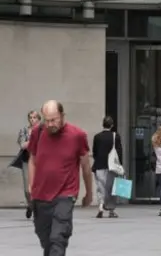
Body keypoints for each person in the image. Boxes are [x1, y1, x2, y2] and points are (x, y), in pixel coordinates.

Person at [28, 100, 93, 256]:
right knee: (45, 239)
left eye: (54, 119)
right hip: (41, 195)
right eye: (47, 120)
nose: (50, 124)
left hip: (66, 194)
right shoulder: (37, 132)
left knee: (58, 237)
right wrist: (30, 185)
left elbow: (85, 166)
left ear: (62, 116)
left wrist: (89, 193)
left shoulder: (77, 135)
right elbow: (32, 159)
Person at [91, 115, 123, 218]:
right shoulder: (115, 136)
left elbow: (94, 152)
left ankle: (100, 206)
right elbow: (119, 152)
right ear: (112, 125)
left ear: (103, 124)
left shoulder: (97, 137)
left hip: (99, 165)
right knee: (112, 188)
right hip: (112, 166)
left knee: (101, 187)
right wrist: (120, 166)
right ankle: (111, 210)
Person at [17, 110, 41, 219]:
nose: (32, 119)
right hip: (27, 161)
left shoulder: (43, 131)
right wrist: (33, 141)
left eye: (35, 117)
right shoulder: (24, 130)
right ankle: (30, 205)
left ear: (38, 119)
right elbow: (22, 144)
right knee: (27, 189)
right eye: (31, 117)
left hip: (41, 162)